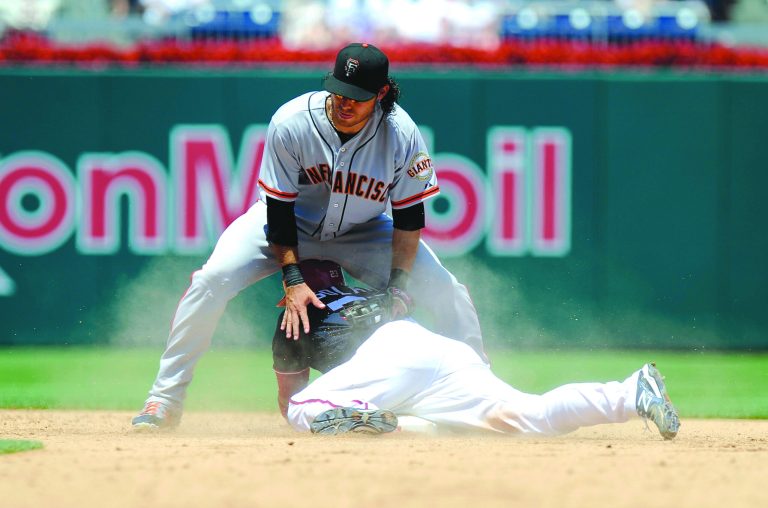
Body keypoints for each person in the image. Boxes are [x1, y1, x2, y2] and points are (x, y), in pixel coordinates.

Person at [132, 42, 486, 430]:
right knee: (210, 281)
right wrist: (294, 278)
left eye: (357, 96)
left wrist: (399, 285)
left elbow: (408, 216)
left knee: (448, 291)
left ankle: (479, 397)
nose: (345, 103)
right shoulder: (293, 120)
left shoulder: (401, 133)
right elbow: (279, 210)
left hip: (363, 231)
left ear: (382, 93)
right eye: (339, 91)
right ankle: (163, 400)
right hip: (288, 224)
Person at [273, 260, 680, 439]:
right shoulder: (365, 292)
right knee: (526, 415)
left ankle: (406, 428)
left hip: (386, 358)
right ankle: (629, 393)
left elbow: (288, 398)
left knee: (302, 410)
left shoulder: (294, 314)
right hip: (437, 351)